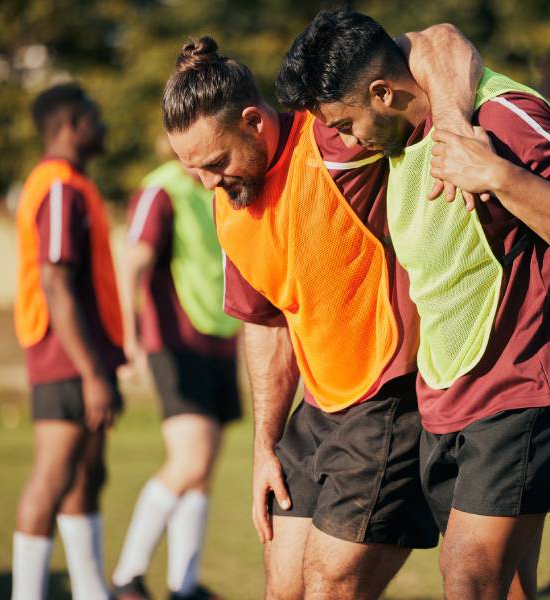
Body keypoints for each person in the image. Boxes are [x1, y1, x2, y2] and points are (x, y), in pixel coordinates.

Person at [274, 9, 550, 599]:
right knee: (509, 587)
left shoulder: (502, 115)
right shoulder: (403, 132)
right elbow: (430, 39)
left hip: (522, 383)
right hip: (448, 398)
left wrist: (495, 173)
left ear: (383, 93)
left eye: (347, 121)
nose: (347, 138)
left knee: (468, 576)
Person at [162, 25, 481, 600]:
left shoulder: (332, 138)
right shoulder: (230, 208)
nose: (208, 182)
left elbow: (439, 40)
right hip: (316, 412)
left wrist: (455, 124)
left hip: (388, 399)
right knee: (283, 587)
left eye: (215, 162)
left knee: (330, 586)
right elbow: (266, 322)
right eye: (194, 172)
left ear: (255, 122)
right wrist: (265, 446)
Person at [12, 83, 124, 600]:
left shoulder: (75, 184)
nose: (102, 126)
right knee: (53, 478)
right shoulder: (57, 187)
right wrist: (93, 373)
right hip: (66, 358)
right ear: (70, 126)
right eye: (94, 116)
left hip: (84, 358)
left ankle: (89, 590)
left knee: (87, 475)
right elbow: (55, 281)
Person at [111, 159, 241, 600]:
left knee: (202, 473)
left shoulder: (221, 185)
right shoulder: (160, 190)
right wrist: (129, 340)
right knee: (188, 463)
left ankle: (184, 587)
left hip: (219, 340)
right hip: (175, 344)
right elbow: (133, 262)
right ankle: (127, 577)